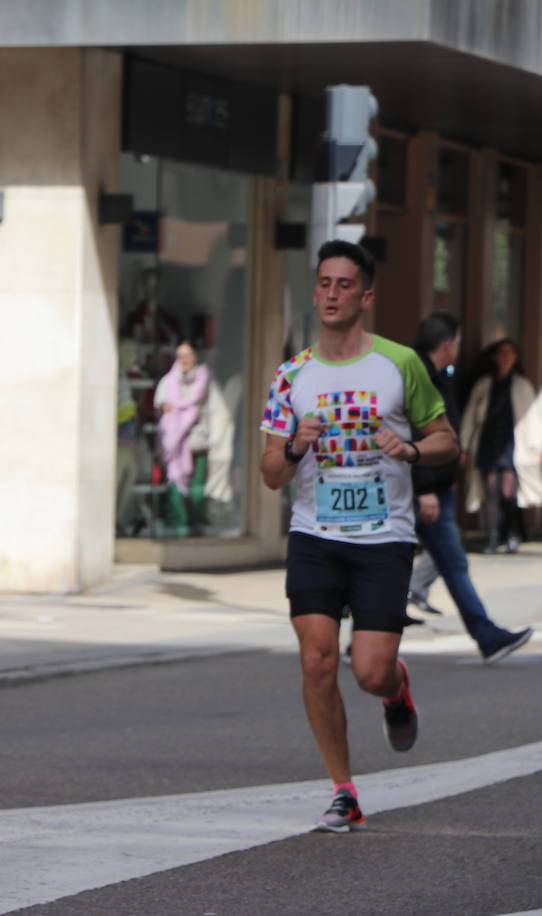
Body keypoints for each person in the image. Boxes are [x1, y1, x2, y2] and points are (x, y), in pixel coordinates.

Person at [259, 240, 458, 833]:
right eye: (324, 283)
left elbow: (449, 441)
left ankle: (396, 692)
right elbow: (271, 474)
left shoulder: (399, 364)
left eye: (345, 284)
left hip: (384, 537)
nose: (331, 294)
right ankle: (343, 789)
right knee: (318, 661)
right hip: (315, 533)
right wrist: (296, 445)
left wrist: (411, 448)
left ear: (365, 296)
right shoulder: (292, 374)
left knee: (370, 670)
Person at [406, 312, 533, 662]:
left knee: (450, 562)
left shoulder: (439, 374)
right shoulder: (417, 376)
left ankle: (487, 636)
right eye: (458, 342)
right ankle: (363, 640)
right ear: (446, 344)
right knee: (403, 564)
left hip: (438, 487)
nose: (460, 349)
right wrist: (425, 489)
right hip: (424, 490)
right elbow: (414, 436)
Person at [460, 339, 534, 553]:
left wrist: (535, 447)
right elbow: (470, 417)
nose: (505, 357)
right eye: (501, 353)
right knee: (490, 489)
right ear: (494, 357)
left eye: (509, 353)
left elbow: (533, 421)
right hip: (488, 441)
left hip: (513, 443)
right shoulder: (484, 384)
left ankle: (511, 533)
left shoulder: (522, 385)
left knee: (508, 491)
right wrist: (464, 446)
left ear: (515, 357)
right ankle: (492, 537)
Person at [154, 340, 210, 537]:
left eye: (187, 355)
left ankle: (198, 525)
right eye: (180, 356)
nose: (184, 360)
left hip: (199, 442)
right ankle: (180, 527)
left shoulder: (204, 379)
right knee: (176, 487)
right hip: (175, 445)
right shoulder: (168, 381)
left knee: (197, 491)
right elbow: (163, 406)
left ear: (195, 357)